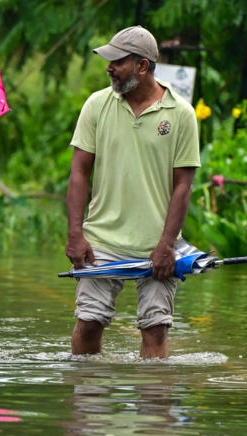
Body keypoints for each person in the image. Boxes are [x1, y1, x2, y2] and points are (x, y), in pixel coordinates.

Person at [64, 26, 201, 359]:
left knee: (155, 329)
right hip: (102, 242)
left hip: (157, 243)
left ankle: (154, 407)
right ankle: (87, 401)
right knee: (89, 322)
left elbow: (183, 184)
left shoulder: (181, 114)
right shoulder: (97, 105)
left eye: (117, 61)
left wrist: (168, 245)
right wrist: (75, 234)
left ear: (142, 66)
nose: (109, 67)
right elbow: (80, 172)